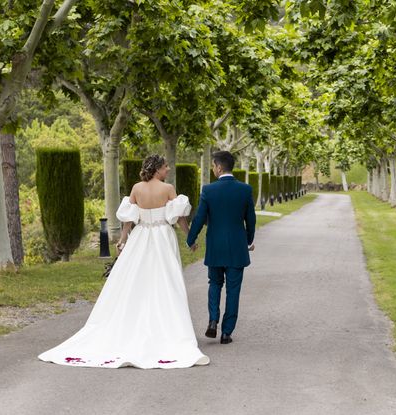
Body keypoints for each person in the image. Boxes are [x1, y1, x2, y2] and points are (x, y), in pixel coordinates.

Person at [38, 154, 209, 369]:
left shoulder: (137, 188)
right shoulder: (168, 189)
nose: (168, 170)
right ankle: (168, 327)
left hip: (141, 236)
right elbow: (180, 217)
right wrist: (189, 237)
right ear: (157, 169)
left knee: (136, 279)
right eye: (165, 167)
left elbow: (129, 219)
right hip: (162, 236)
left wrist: (122, 239)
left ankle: (135, 322)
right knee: (166, 280)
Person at [186, 150, 256, 344]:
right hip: (237, 248)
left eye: (213, 166)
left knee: (215, 284)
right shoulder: (245, 190)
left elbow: (199, 218)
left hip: (215, 247)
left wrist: (190, 239)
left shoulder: (208, 190)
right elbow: (251, 220)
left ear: (218, 167)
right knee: (233, 289)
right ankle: (226, 332)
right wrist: (249, 241)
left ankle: (213, 320)